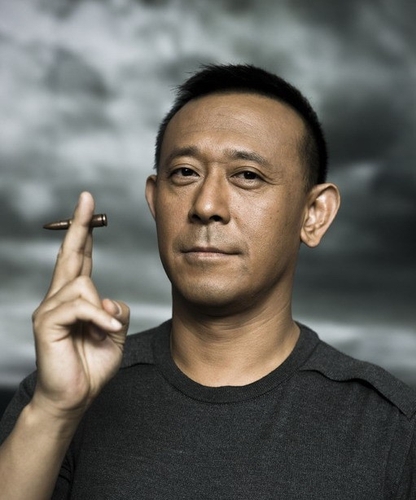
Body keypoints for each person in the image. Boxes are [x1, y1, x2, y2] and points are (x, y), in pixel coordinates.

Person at [0, 64, 415, 499]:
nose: (206, 205)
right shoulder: (61, 394)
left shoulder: (392, 429)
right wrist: (53, 412)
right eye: (184, 173)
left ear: (314, 214)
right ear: (155, 201)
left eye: (247, 175)